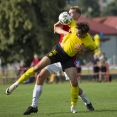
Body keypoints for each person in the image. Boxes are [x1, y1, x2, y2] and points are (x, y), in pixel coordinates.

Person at [6, 8, 96, 114]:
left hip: (69, 59)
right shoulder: (71, 23)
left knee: (74, 84)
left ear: (78, 15)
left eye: (72, 13)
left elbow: (92, 48)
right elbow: (56, 27)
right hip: (57, 53)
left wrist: (84, 51)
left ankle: (84, 103)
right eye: (69, 13)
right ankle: (25, 96)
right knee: (39, 73)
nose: (69, 14)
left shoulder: (85, 36)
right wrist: (65, 29)